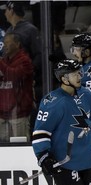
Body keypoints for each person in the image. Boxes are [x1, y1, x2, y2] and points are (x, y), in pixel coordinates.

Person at [1, 0, 42, 135]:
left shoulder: (30, 29)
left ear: (11, 11)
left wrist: (31, 75)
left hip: (23, 80)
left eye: (6, 10)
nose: (4, 13)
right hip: (9, 84)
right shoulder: (9, 30)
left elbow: (39, 54)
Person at [0, 32, 33, 142]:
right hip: (2, 115)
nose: (5, 46)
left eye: (8, 43)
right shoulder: (4, 60)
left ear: (17, 44)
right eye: (4, 43)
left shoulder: (25, 61)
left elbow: (13, 75)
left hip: (18, 114)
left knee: (20, 147)